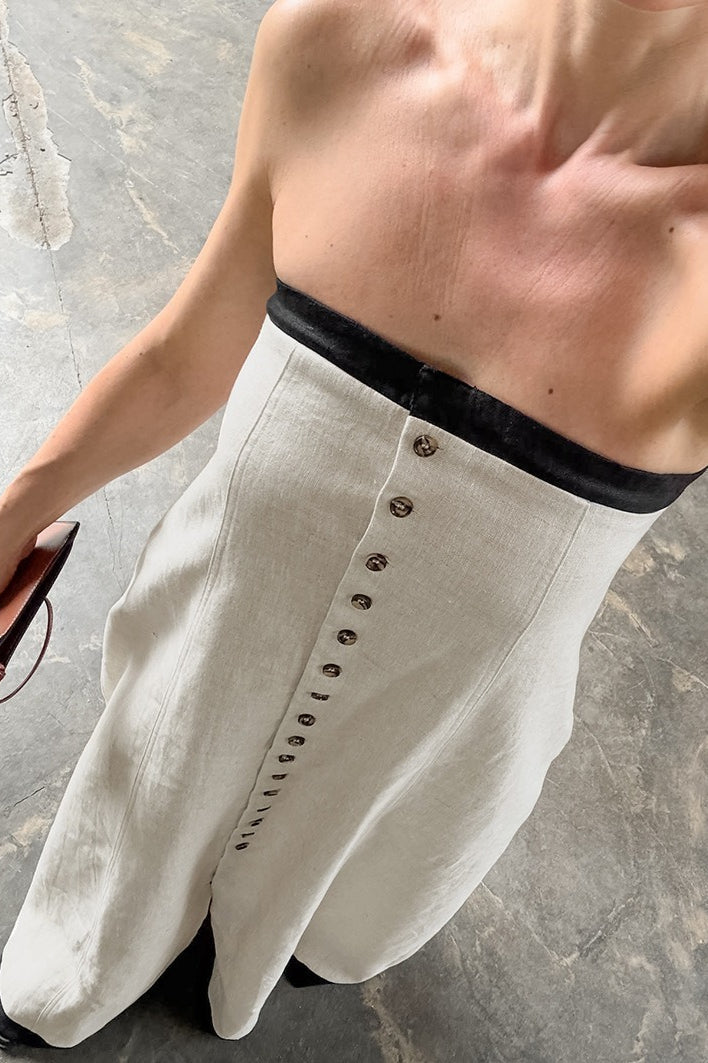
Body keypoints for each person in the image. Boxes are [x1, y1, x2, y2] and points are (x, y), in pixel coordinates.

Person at [1, 0, 707, 1049]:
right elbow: (187, 351)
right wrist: (15, 512)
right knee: (133, 833)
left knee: (335, 930)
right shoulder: (341, 40)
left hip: (431, 774)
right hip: (195, 656)